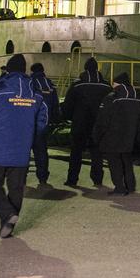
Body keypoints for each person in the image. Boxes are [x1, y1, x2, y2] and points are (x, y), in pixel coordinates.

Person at [0, 53, 48, 238]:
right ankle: (7, 223)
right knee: (16, 187)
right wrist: (30, 137)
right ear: (24, 71)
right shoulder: (35, 93)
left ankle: (7, 214)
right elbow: (43, 119)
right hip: (21, 149)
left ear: (8, 69)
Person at [62, 58, 111, 187]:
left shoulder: (77, 85)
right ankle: (97, 179)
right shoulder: (106, 86)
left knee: (76, 152)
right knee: (96, 153)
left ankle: (72, 180)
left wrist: (70, 118)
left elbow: (68, 105)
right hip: (98, 125)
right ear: (97, 69)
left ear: (85, 68)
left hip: (80, 124)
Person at [94, 72, 140, 195]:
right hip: (130, 136)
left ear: (118, 83)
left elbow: (103, 119)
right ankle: (130, 186)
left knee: (114, 161)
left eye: (114, 83)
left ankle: (119, 188)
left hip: (113, 136)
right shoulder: (138, 99)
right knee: (127, 160)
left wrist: (97, 135)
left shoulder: (112, 97)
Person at [28, 63, 61, 186]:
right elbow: (55, 104)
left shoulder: (29, 82)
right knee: (41, 151)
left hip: (29, 123)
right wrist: (55, 119)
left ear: (32, 71)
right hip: (44, 123)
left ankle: (22, 176)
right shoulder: (49, 84)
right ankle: (43, 177)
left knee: (25, 150)